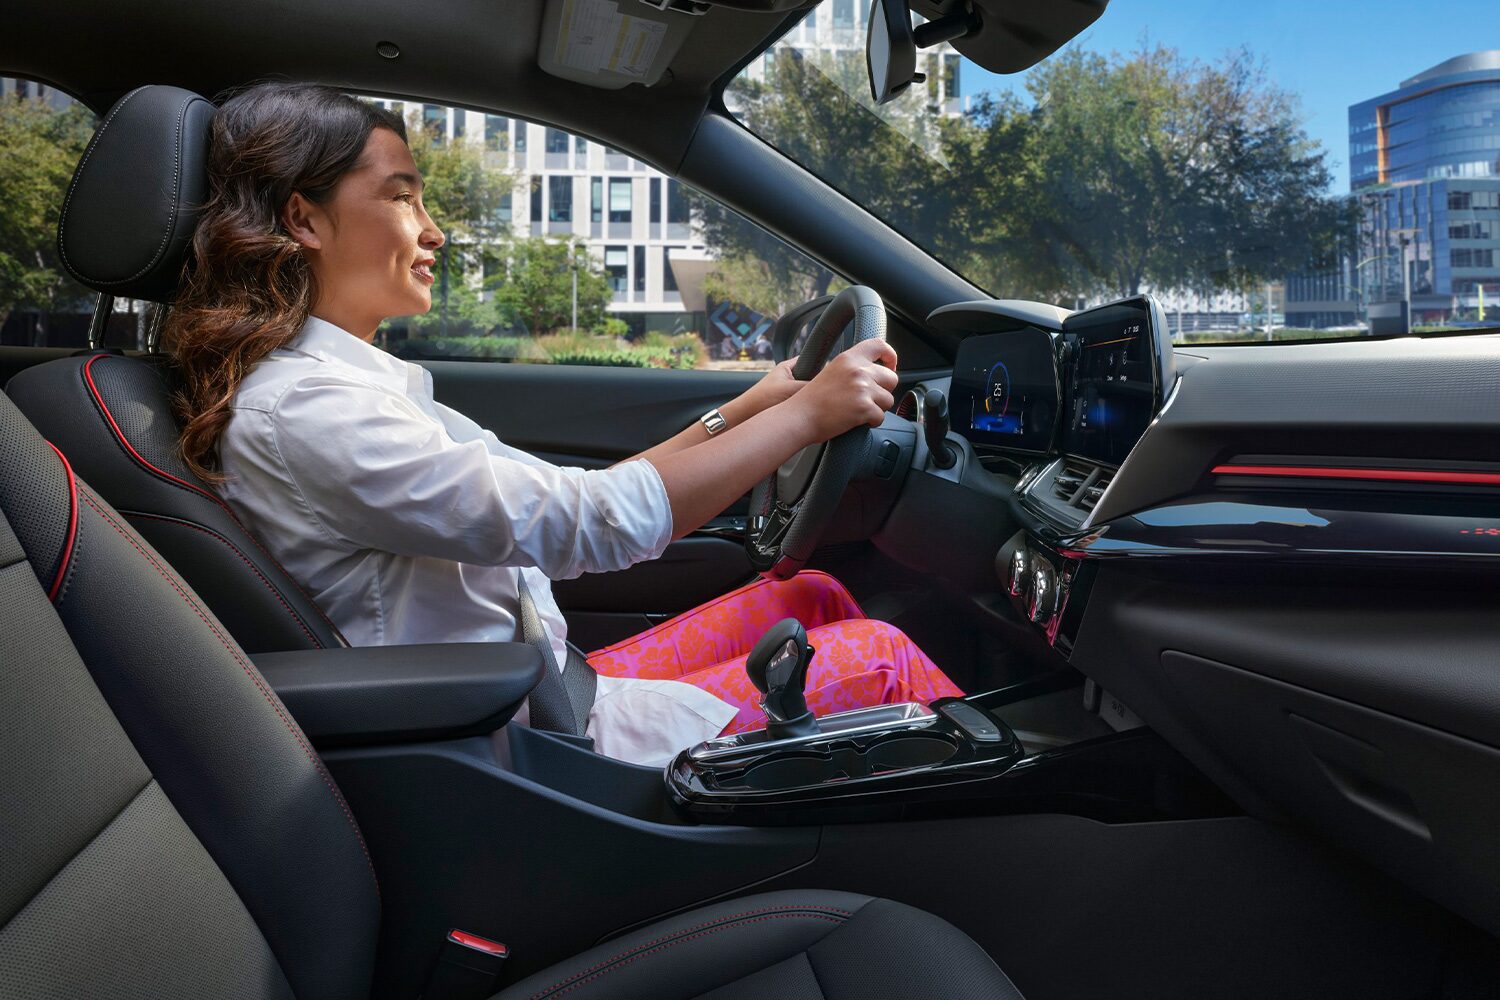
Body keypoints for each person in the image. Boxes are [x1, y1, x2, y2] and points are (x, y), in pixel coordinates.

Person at [166, 82, 962, 765]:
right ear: (305, 220)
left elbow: (580, 492)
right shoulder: (311, 410)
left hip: (547, 682)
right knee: (881, 658)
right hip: (531, 739)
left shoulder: (348, 387)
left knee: (814, 596)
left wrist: (758, 406)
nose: (433, 227)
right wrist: (806, 421)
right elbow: (593, 522)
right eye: (402, 195)